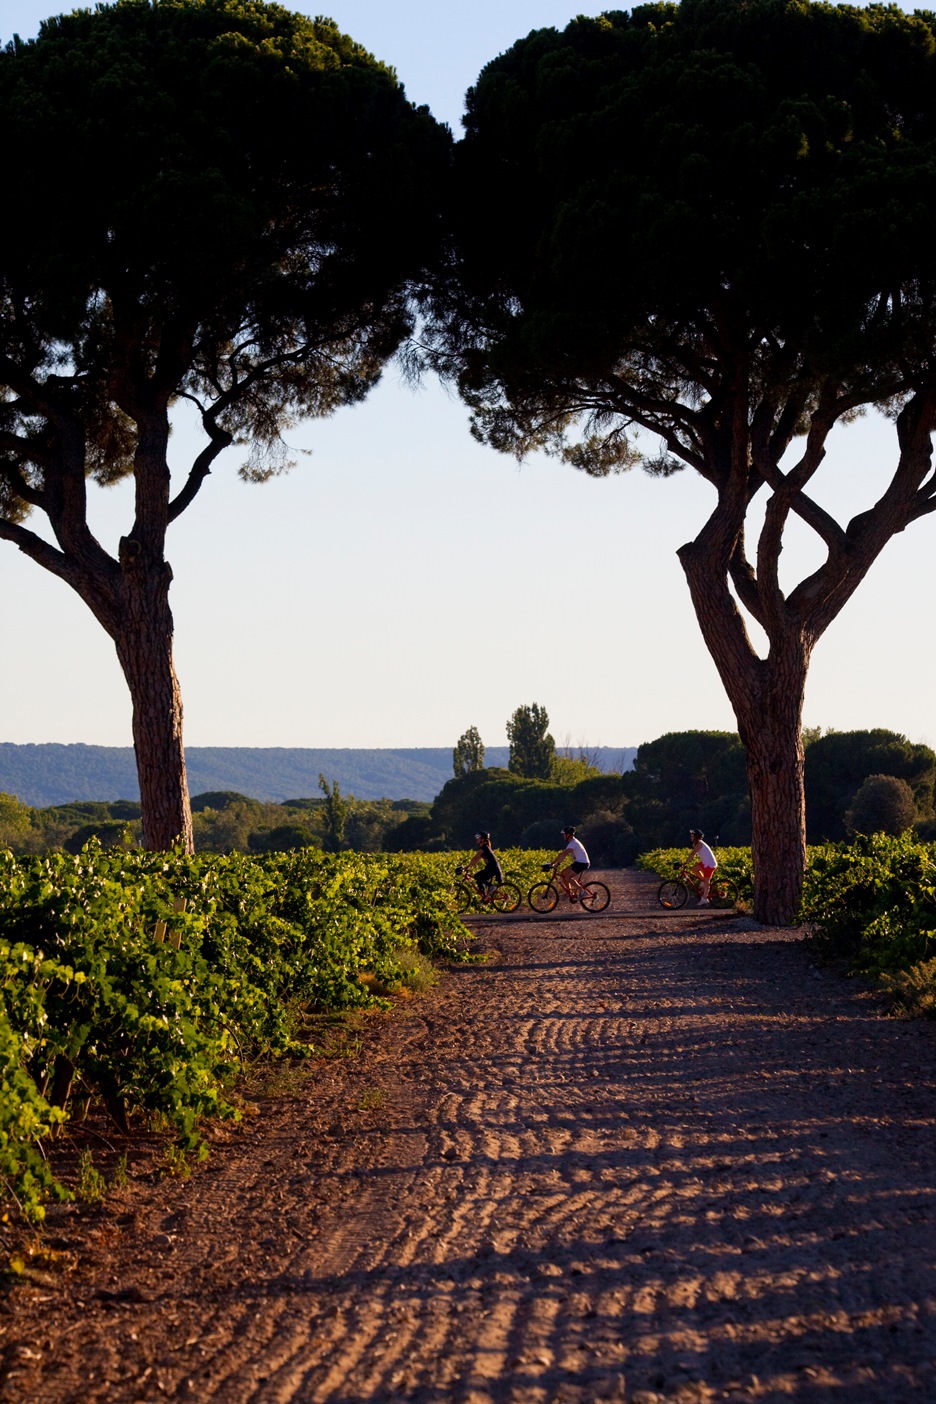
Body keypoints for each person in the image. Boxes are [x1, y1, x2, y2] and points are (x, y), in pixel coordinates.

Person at [552, 825, 590, 902]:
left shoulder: (573, 843)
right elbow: (563, 854)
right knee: (563, 874)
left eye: (564, 834)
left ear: (568, 834)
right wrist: (555, 863)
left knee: (567, 878)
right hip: (578, 862)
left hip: (582, 863)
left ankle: (582, 891)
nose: (563, 836)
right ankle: (571, 894)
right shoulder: (572, 842)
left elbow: (563, 854)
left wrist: (553, 864)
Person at [465, 831, 504, 902]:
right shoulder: (485, 848)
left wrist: (468, 867)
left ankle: (491, 887)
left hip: (492, 868)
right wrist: (470, 866)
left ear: (482, 839)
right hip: (492, 868)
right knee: (479, 877)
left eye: (478, 837)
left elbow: (475, 858)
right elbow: (476, 860)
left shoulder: (484, 848)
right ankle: (484, 897)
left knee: (477, 876)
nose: (476, 839)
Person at [689, 828, 717, 905]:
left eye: (692, 836)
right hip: (705, 863)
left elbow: (692, 854)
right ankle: (703, 881)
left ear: (696, 837)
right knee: (694, 869)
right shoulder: (696, 844)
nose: (690, 837)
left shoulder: (699, 844)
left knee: (707, 882)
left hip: (710, 864)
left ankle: (704, 898)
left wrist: (686, 862)